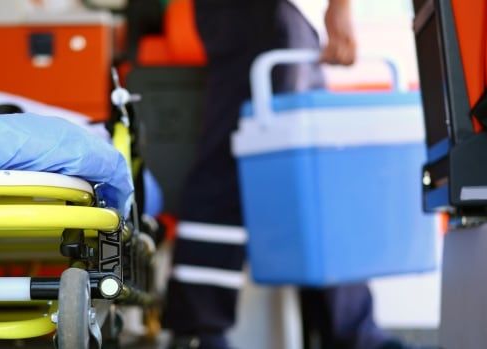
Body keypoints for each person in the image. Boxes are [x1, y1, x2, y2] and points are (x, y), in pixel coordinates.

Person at [163, 1, 423, 348]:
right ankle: (198, 328)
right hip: (263, 13)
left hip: (286, 15)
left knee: (305, 167)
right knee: (241, 155)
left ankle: (347, 329)